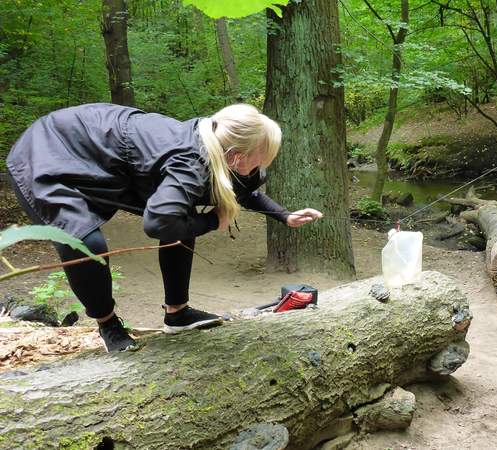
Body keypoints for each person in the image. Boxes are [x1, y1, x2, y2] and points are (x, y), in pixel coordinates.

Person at [6, 103, 323, 352]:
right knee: (86, 243)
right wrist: (213, 221)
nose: (262, 166)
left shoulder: (215, 144)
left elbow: (243, 189)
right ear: (237, 156)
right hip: (47, 153)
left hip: (85, 146)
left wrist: (284, 215)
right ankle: (108, 324)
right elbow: (158, 223)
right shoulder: (190, 162)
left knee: (181, 218)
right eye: (260, 159)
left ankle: (178, 313)